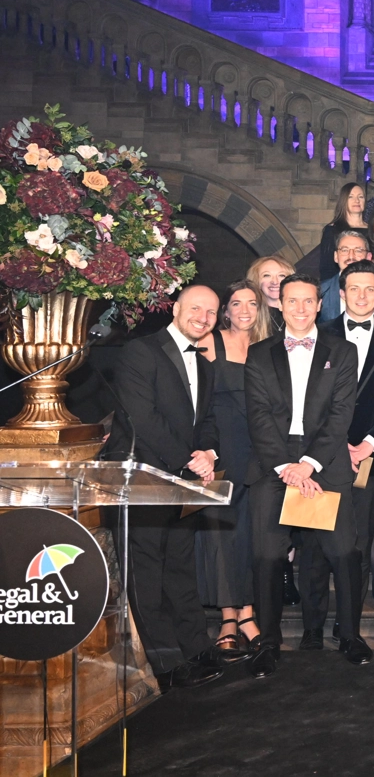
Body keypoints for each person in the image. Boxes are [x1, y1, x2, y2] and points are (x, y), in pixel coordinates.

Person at [244, 273, 367, 676]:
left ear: (319, 305)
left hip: (324, 461)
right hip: (274, 463)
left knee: (344, 553)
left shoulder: (342, 351)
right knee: (267, 556)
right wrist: (288, 469)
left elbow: (341, 414)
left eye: (308, 301)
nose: (300, 308)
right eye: (292, 300)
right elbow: (258, 416)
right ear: (279, 305)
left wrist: (309, 464)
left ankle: (350, 635)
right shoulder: (259, 354)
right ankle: (268, 641)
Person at [104, 285, 224, 690]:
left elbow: (207, 420)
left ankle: (196, 647)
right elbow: (143, 418)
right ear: (175, 308)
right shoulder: (140, 351)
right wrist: (188, 459)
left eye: (211, 312)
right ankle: (163, 663)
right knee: (146, 575)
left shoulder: (205, 365)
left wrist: (209, 452)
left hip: (180, 482)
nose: (203, 317)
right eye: (196, 308)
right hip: (141, 480)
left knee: (180, 568)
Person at [312, 261, 374, 620]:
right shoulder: (319, 334)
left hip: (370, 457)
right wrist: (330, 446)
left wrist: (369, 444)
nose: (362, 296)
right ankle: (313, 628)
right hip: (321, 457)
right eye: (354, 289)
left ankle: (349, 626)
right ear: (342, 293)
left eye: (369, 289)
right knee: (318, 546)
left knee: (360, 545)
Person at [195, 282, 268, 661]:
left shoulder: (270, 345)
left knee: (253, 533)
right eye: (236, 303)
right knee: (222, 532)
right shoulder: (210, 342)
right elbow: (195, 399)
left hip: (260, 451)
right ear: (225, 310)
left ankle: (249, 615)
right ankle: (228, 620)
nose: (244, 310)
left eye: (251, 303)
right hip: (220, 451)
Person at [319, 182, 369, 281]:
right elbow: (326, 266)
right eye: (351, 197)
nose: (357, 200)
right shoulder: (332, 230)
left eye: (361, 197)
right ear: (343, 201)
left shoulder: (373, 229)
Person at [319, 230, 371, 323]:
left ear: (368, 257)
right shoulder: (320, 291)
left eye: (358, 251)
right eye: (344, 250)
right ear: (336, 256)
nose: (351, 256)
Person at [250, 255, 295, 334]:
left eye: (281, 275)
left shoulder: (302, 311)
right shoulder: (250, 315)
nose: (275, 282)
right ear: (257, 281)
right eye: (267, 275)